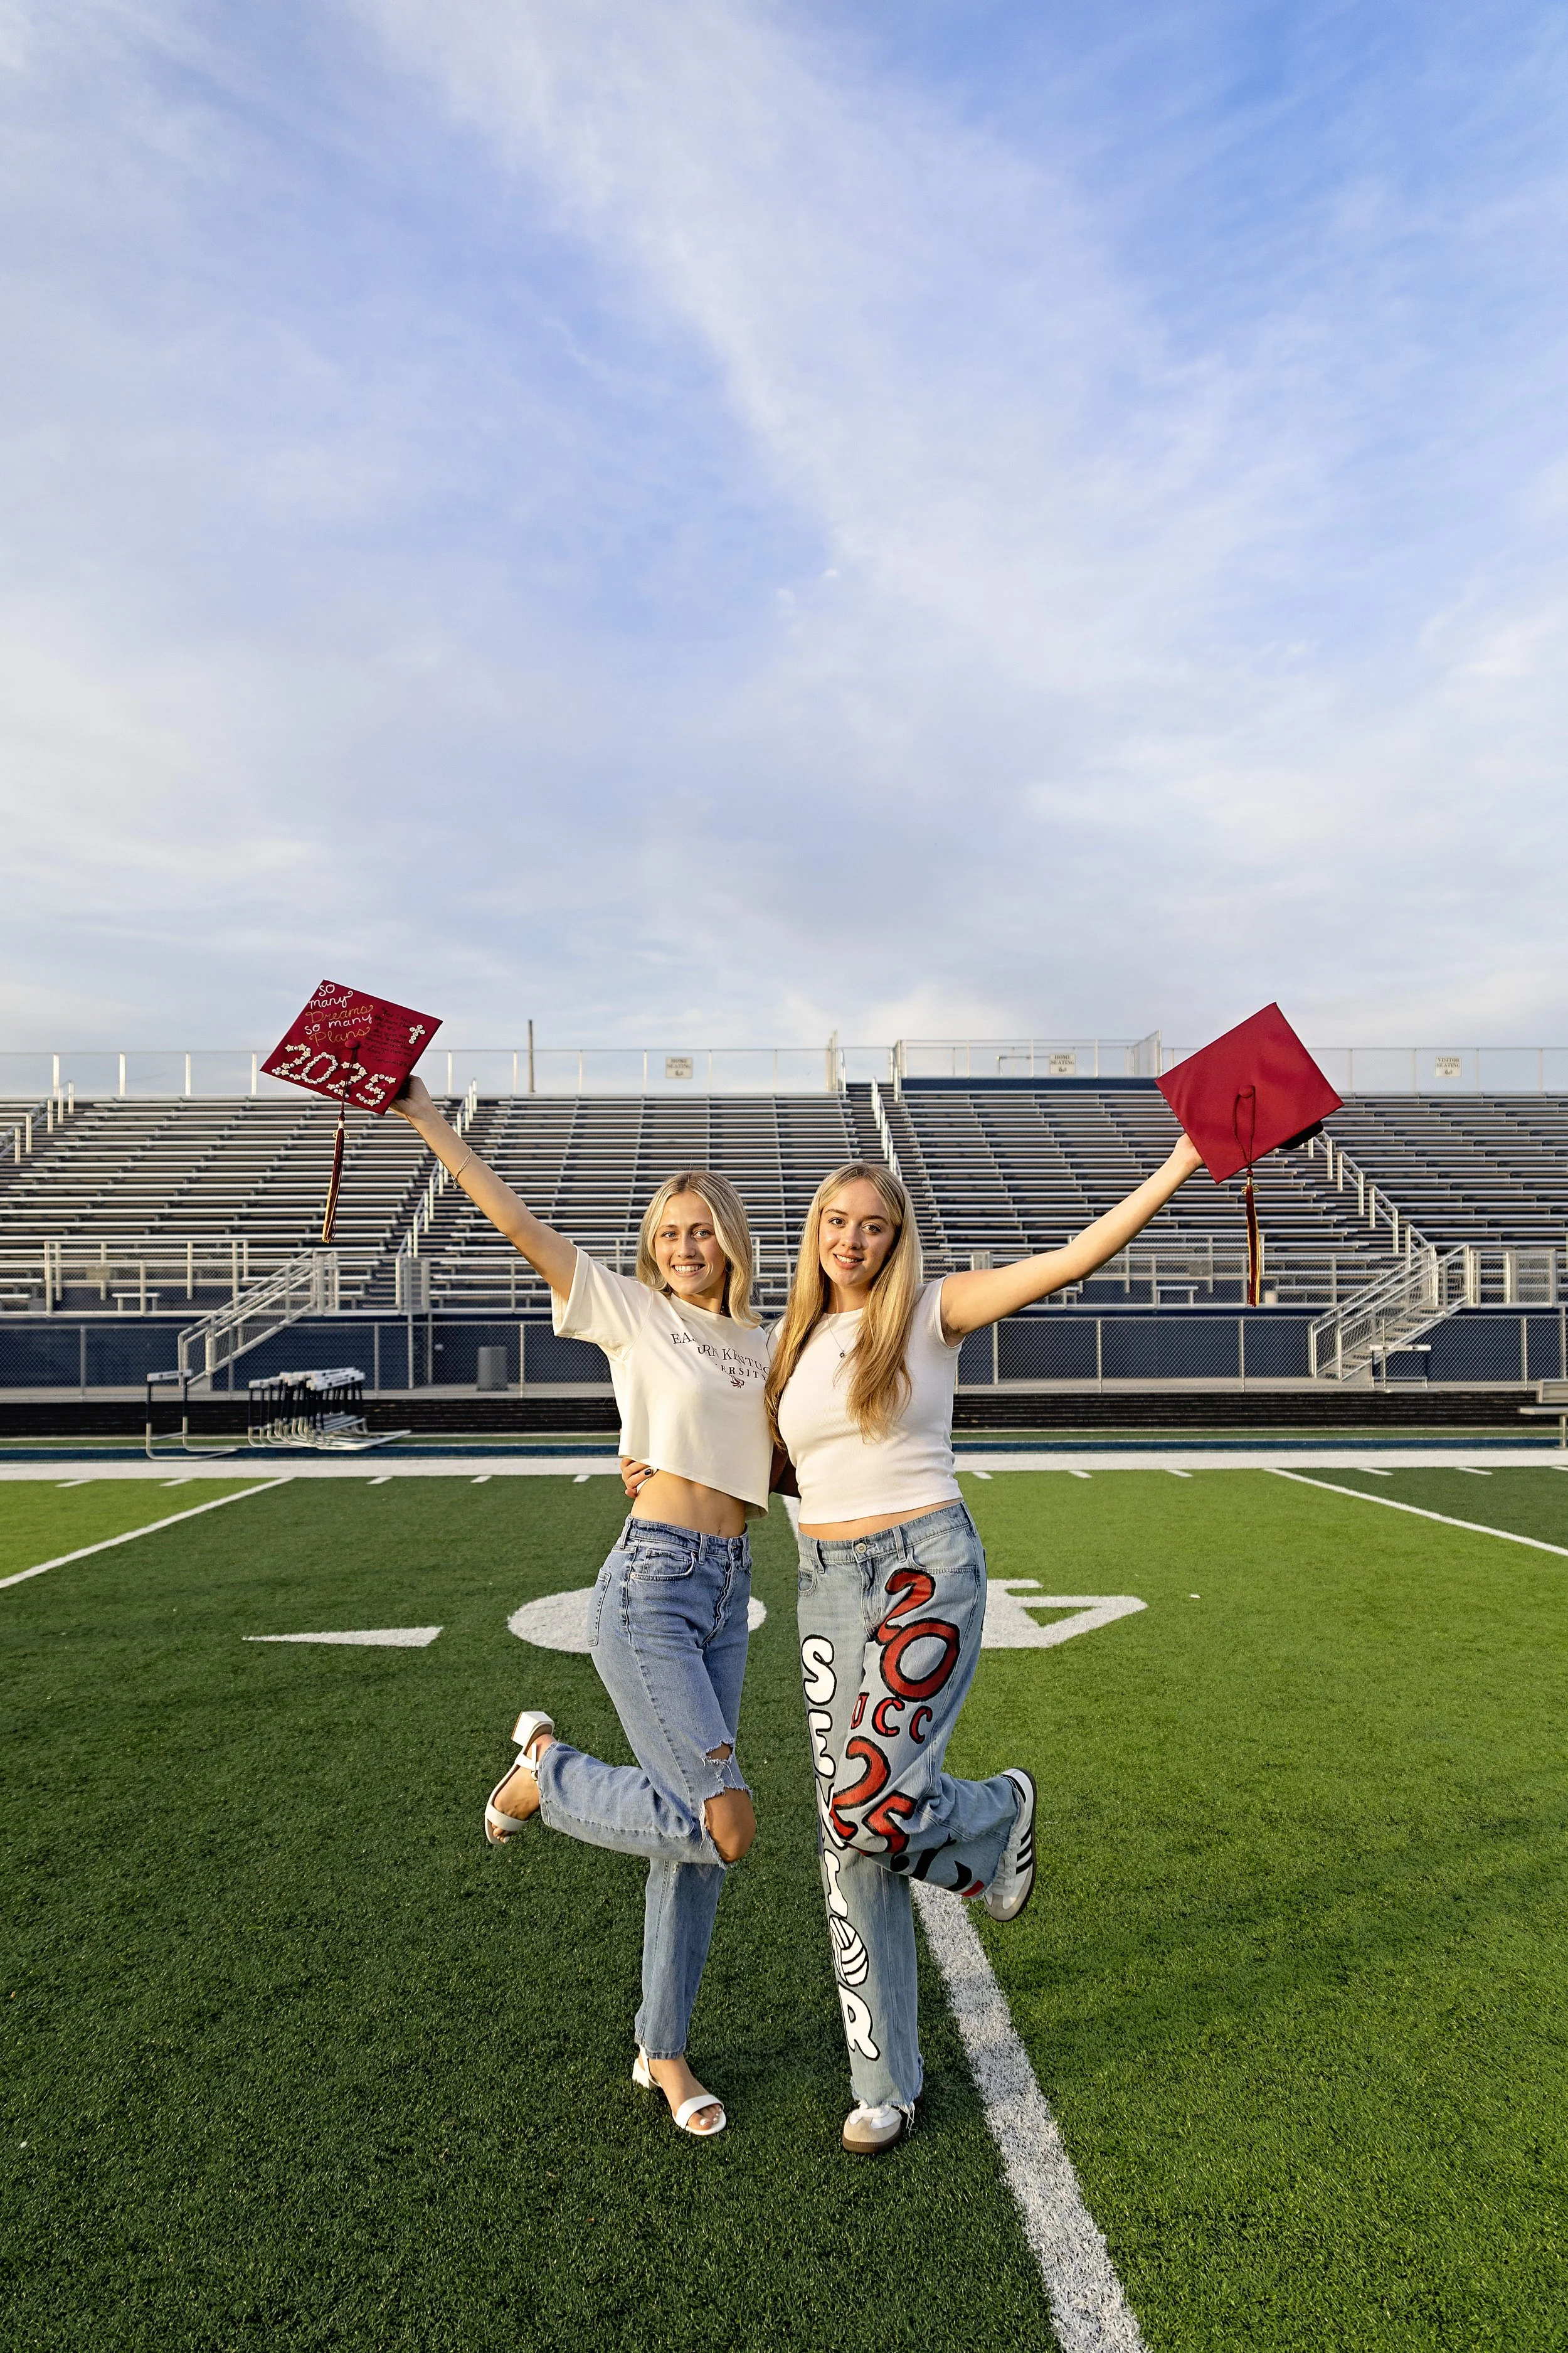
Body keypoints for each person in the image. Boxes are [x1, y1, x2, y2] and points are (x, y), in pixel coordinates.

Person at [765, 1140, 1202, 2154]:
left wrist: (1179, 1160)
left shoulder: (930, 1310)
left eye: (874, 1225)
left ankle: (1000, 1807)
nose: (854, 1240)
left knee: (866, 1801)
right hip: (827, 1586)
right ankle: (886, 2084)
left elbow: (1074, 1258)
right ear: (816, 1228)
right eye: (839, 1221)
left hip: (925, 1565)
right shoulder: (785, 1337)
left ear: (898, 1236)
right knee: (851, 1837)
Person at [392, 1075, 772, 2139]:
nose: (687, 1244)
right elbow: (514, 1218)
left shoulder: (764, 1346)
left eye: (702, 1229)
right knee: (725, 1823)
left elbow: (783, 1464)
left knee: (687, 1848)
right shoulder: (631, 1310)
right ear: (652, 1250)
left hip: (729, 1589)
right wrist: (428, 1112)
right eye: (669, 1233)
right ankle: (544, 1774)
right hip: (650, 1582)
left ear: (732, 1238)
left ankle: (663, 2049)